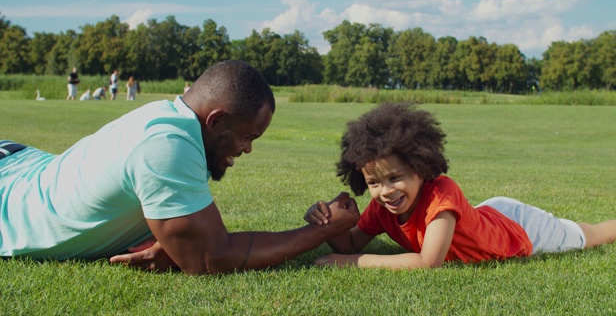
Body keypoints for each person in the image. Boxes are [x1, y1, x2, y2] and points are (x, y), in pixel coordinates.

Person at [0, 60, 359, 275]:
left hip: (26, 164)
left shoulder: (173, 120)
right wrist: (322, 233)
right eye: (248, 136)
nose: (248, 149)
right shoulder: (167, 145)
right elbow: (207, 258)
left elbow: (190, 238)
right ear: (217, 119)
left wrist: (171, 237)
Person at [304, 102, 616, 269]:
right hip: (483, 216)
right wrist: (329, 222)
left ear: (421, 167)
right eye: (374, 182)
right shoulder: (382, 207)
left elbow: (427, 262)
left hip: (518, 230)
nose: (386, 191)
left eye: (396, 177)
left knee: (592, 234)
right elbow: (348, 243)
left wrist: (353, 262)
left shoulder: (442, 194)